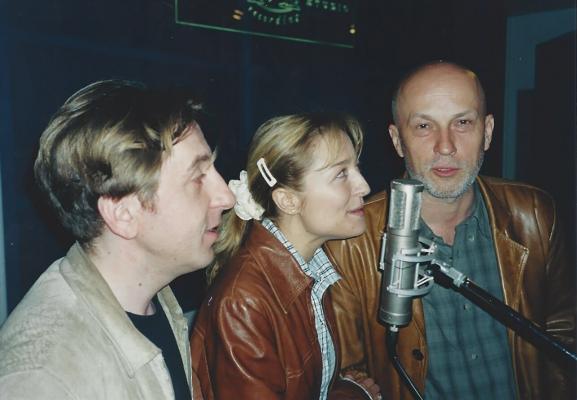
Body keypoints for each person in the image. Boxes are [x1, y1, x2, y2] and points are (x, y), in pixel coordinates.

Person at [324, 61, 575, 399]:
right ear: (397, 140)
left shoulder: (534, 214)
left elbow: (562, 327)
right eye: (424, 126)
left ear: (487, 132)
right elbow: (345, 370)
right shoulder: (348, 241)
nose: (446, 146)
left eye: (462, 123)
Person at [0, 80, 235, 399]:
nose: (226, 196)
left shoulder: (156, 299)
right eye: (198, 178)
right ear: (124, 214)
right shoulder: (44, 378)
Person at [190, 113, 381, 399]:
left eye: (356, 168)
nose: (364, 186)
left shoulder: (311, 271)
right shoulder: (244, 303)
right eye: (341, 174)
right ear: (288, 200)